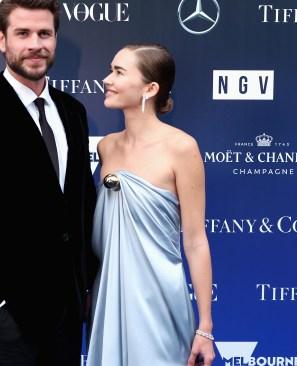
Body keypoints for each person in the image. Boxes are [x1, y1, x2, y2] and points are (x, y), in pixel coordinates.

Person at [0, 1, 98, 365]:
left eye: (44, 33)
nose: (35, 44)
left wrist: (85, 287)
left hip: (69, 315)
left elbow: (80, 205)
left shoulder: (73, 112)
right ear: (1, 39)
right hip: (10, 318)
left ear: (56, 39)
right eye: (22, 33)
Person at [86, 44, 216, 366]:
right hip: (109, 301)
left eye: (118, 72)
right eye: (110, 69)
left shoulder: (182, 148)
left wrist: (205, 327)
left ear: (150, 88)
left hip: (160, 302)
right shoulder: (106, 147)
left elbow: (196, 240)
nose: (107, 79)